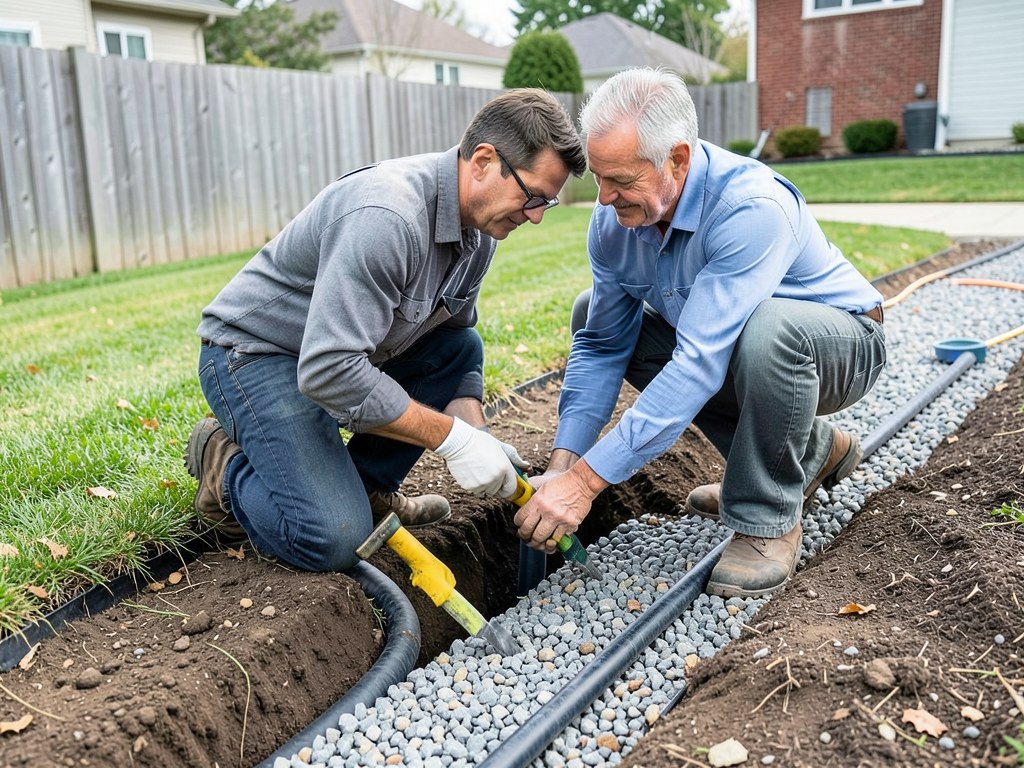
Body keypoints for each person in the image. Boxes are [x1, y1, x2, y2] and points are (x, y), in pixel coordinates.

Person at [513, 68, 886, 598]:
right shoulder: (614, 224)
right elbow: (601, 346)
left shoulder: (749, 208)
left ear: (678, 159)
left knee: (768, 331)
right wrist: (563, 465)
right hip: (744, 348)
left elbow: (696, 364)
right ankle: (811, 451)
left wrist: (587, 484)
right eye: (598, 177)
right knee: (590, 316)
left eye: (621, 180)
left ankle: (767, 519)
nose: (603, 198)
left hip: (840, 345)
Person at [186, 89, 587, 573]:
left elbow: (452, 348)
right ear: (483, 161)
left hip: (336, 357)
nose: (538, 215)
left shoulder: (480, 232)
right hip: (256, 357)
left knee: (459, 347)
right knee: (333, 540)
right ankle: (222, 465)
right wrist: (452, 439)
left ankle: (367, 487)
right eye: (533, 196)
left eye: (549, 201)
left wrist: (480, 436)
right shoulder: (388, 217)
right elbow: (330, 371)